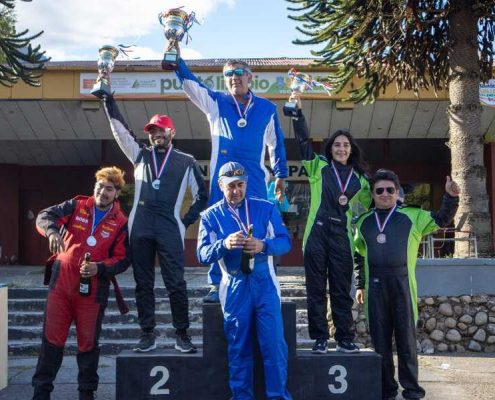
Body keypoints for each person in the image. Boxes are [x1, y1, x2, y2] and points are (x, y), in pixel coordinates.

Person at [175, 51, 289, 303]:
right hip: (223, 180)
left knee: (261, 224)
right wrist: (177, 62)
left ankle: (262, 275)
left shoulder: (266, 108)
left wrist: (281, 174)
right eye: (228, 74)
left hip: (255, 179)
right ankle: (217, 282)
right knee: (218, 226)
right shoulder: (216, 102)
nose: (234, 77)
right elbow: (192, 86)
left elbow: (276, 143)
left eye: (239, 72)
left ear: (250, 77)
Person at [102, 95, 208, 353]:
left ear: (172, 132)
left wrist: (183, 222)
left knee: (176, 283)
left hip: (169, 227)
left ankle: (181, 334)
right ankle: (147, 334)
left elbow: (202, 196)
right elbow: (120, 130)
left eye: (161, 129)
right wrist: (108, 100)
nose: (156, 134)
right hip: (140, 226)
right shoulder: (139, 154)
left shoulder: (186, 161)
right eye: (152, 131)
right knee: (143, 283)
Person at [354, 169, 459, 400]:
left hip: (402, 286)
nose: (385, 194)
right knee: (380, 344)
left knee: (406, 343)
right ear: (373, 194)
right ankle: (386, 390)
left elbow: (441, 219)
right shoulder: (362, 222)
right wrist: (360, 284)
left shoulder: (413, 216)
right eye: (379, 190)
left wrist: (451, 198)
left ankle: (412, 391)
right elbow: (359, 255)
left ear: (397, 192)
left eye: (389, 190)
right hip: (375, 289)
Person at [31, 167, 130, 400]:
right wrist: (52, 232)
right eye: (99, 186)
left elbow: (124, 259)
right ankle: (41, 393)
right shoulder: (76, 205)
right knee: (51, 340)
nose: (102, 192)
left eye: (109, 188)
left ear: (116, 193)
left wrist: (100, 267)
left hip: (93, 290)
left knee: (88, 344)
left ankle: (87, 393)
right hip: (62, 283)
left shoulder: (121, 222)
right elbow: (44, 215)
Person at [197, 161, 292, 400]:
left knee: (274, 346)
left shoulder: (266, 208)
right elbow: (202, 254)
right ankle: (241, 397)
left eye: (240, 185)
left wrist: (263, 245)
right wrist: (224, 244)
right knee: (239, 348)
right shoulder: (210, 216)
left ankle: (278, 397)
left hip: (265, 285)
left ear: (246, 184)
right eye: (230, 186)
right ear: (220, 185)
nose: (236, 190)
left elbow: (285, 242)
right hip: (234, 286)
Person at [290, 93, 372, 354]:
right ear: (331, 148)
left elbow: (369, 207)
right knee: (315, 290)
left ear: (351, 149)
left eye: (346, 145)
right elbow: (303, 143)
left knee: (340, 291)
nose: (341, 149)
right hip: (316, 235)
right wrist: (297, 115)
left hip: (341, 238)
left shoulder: (361, 180)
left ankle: (345, 338)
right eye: (337, 145)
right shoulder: (319, 167)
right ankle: (320, 339)